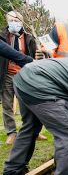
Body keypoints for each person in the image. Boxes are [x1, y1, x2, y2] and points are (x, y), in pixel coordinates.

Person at [0, 11, 46, 145]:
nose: (14, 22)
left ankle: (33, 131)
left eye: (17, 20)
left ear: (21, 21)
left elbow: (34, 56)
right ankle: (11, 133)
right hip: (7, 74)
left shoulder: (29, 38)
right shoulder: (2, 36)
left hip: (24, 74)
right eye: (11, 20)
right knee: (7, 104)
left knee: (28, 103)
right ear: (7, 21)